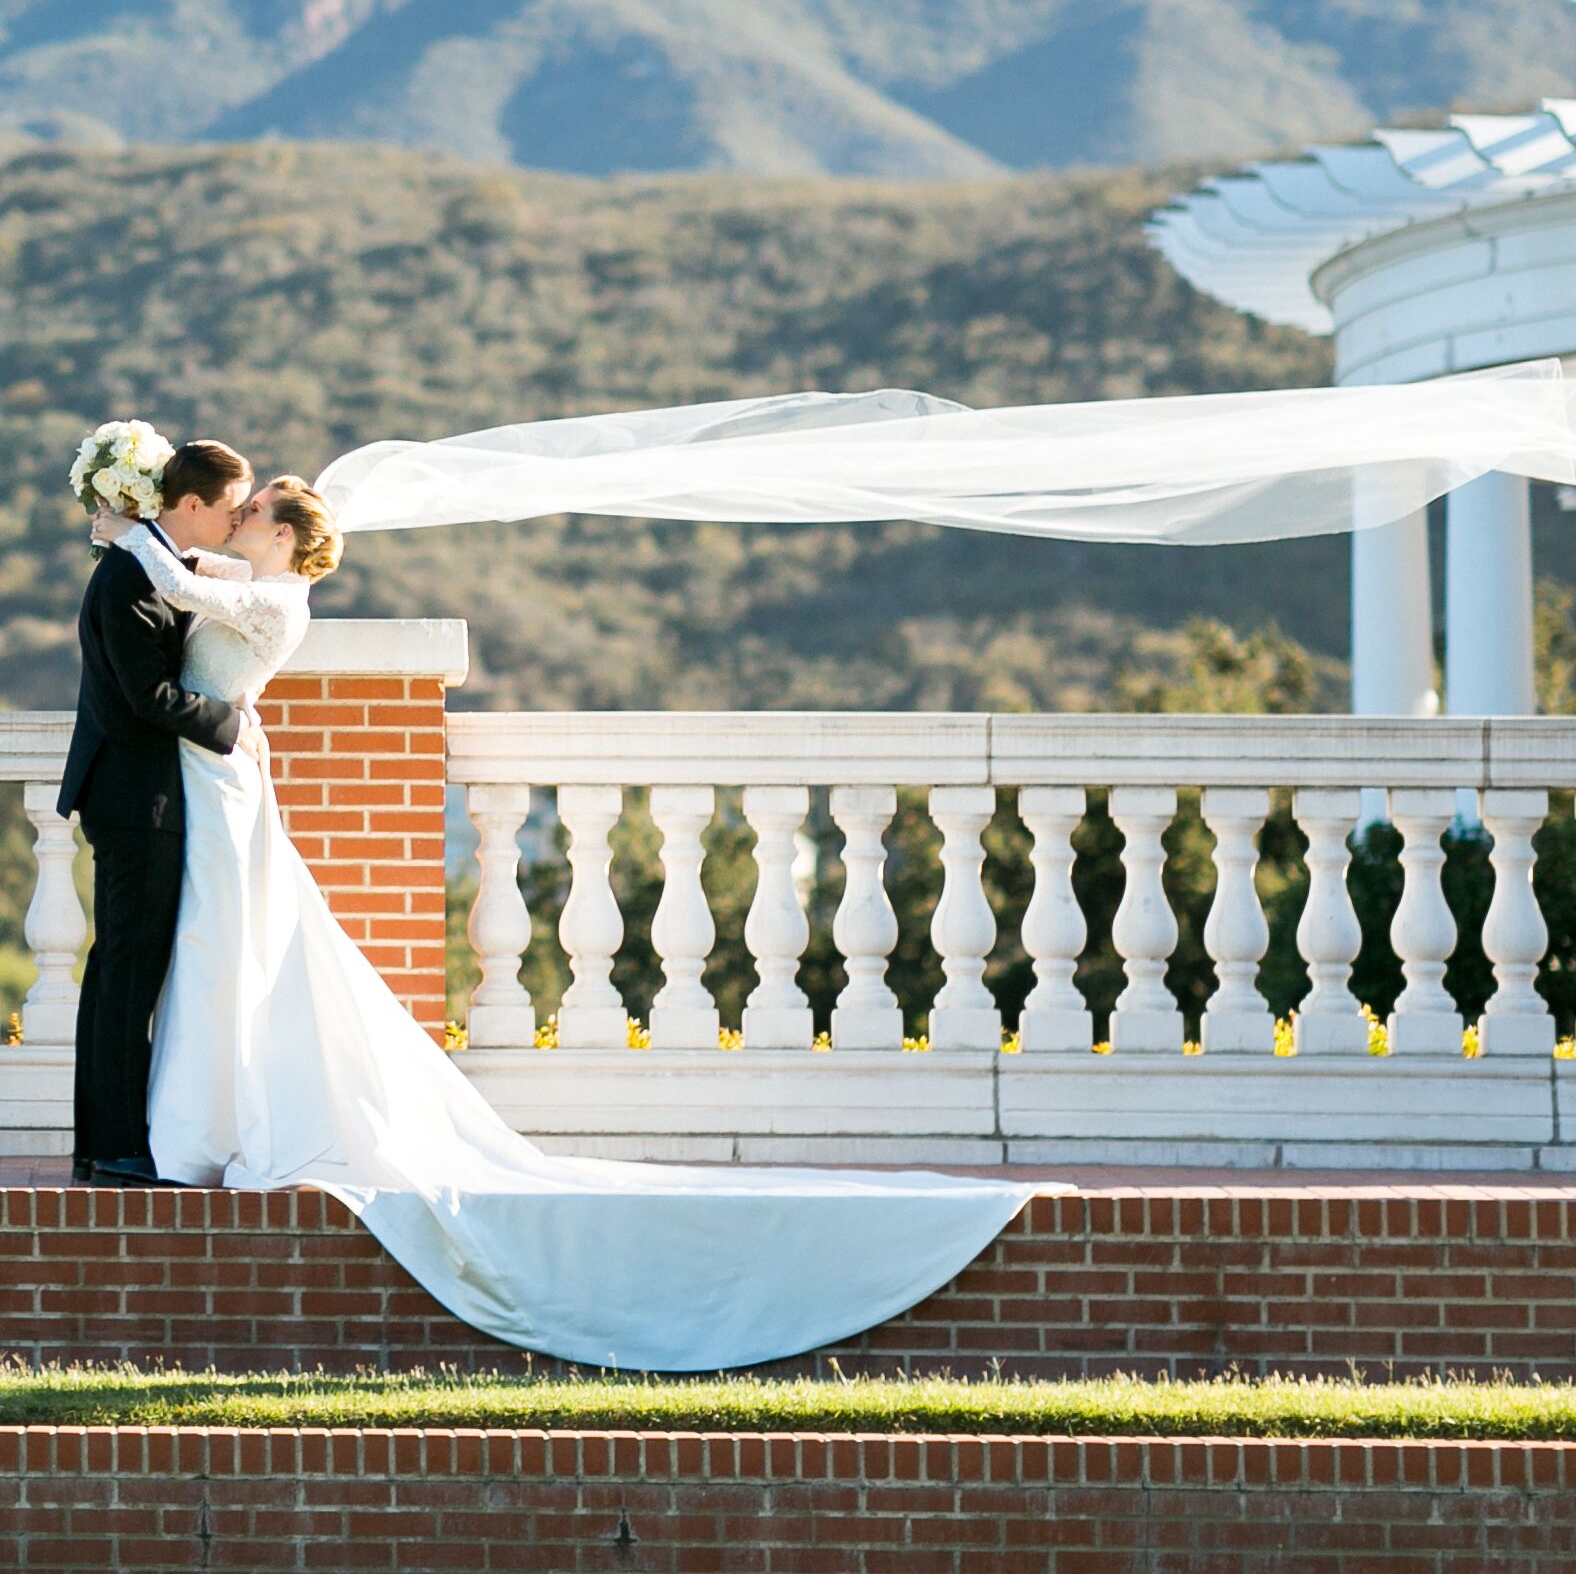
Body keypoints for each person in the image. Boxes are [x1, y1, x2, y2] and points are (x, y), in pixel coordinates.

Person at [108, 479, 1036, 1372]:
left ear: (283, 532)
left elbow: (183, 584)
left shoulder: (280, 606)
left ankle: (211, 1120)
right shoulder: (257, 582)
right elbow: (196, 571)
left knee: (222, 942)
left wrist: (128, 532)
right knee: (217, 945)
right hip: (206, 775)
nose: (241, 514)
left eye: (255, 507)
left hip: (218, 774)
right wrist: (142, 524)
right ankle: (200, 1109)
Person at [54, 436, 250, 1187]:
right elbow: (149, 698)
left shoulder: (148, 565)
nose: (237, 522)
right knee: (127, 972)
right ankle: (114, 1146)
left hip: (140, 796)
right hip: (138, 800)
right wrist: (234, 727)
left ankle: (101, 1142)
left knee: (119, 971)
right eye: (232, 508)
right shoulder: (129, 577)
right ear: (193, 505)